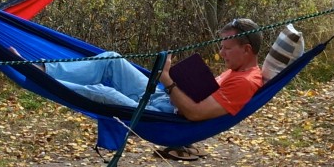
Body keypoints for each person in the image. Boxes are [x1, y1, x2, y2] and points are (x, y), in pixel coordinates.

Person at [38, 18, 265, 122]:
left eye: (227, 48)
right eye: (221, 47)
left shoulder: (244, 82)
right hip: (163, 98)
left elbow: (196, 114)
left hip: (163, 116)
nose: (221, 54)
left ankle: (40, 79)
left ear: (246, 50)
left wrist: (168, 80)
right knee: (112, 60)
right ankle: (44, 69)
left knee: (102, 93)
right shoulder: (237, 71)